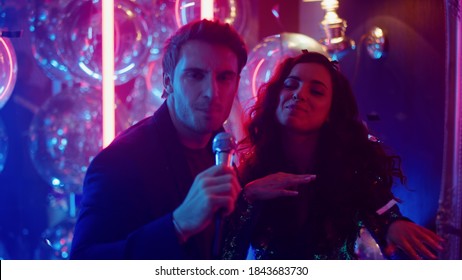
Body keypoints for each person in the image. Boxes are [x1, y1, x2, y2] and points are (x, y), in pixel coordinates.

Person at [223, 51, 444, 260]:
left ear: (331, 112)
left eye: (316, 91)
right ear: (276, 98)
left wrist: (392, 225)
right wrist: (248, 198)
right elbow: (224, 262)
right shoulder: (251, 173)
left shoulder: (350, 170)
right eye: (290, 85)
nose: (299, 94)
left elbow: (384, 212)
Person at [70, 19, 247, 259]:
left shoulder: (220, 148)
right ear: (167, 82)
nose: (212, 92)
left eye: (225, 77)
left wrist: (248, 200)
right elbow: (83, 262)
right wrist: (177, 225)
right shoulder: (121, 160)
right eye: (195, 75)